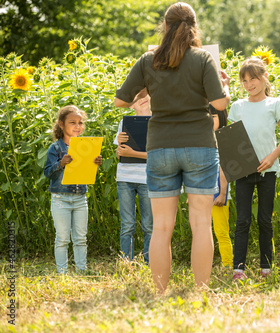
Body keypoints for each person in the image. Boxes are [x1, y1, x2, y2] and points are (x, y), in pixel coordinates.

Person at [114, 2, 230, 292]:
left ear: (165, 26)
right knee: (201, 224)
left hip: (160, 147)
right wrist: (223, 86)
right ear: (193, 28)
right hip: (200, 146)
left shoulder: (148, 59)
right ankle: (201, 289)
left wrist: (148, 90)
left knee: (162, 227)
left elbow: (120, 100)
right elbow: (219, 104)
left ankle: (160, 292)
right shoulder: (203, 59)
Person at [229, 58, 280, 281]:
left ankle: (266, 268)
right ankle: (239, 269)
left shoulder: (275, 104)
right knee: (242, 220)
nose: (249, 84)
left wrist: (270, 158)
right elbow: (231, 141)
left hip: (269, 170)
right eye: (244, 80)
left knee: (265, 219)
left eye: (253, 78)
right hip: (243, 172)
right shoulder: (237, 107)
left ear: (265, 77)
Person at [44, 105, 103, 274]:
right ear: (61, 124)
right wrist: (61, 164)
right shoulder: (55, 148)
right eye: (73, 122)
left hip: (80, 198)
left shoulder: (86, 147)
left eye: (80, 123)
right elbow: (47, 172)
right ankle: (62, 272)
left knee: (80, 238)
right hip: (60, 198)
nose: (78, 126)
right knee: (62, 238)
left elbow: (84, 173)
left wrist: (94, 164)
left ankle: (81, 270)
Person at [114, 89, 153, 264]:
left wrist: (133, 152)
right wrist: (120, 147)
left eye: (144, 96)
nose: (141, 100)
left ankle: (149, 261)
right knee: (127, 225)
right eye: (136, 98)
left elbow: (158, 154)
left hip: (147, 179)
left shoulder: (158, 122)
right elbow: (119, 154)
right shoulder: (124, 122)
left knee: (149, 226)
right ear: (130, 104)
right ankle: (126, 262)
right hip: (125, 177)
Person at [210, 104, 233, 267]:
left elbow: (224, 167)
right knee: (201, 232)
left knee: (221, 231)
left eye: (213, 117)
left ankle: (228, 264)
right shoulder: (199, 139)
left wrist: (223, 193)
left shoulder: (224, 139)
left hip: (219, 191)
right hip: (200, 192)